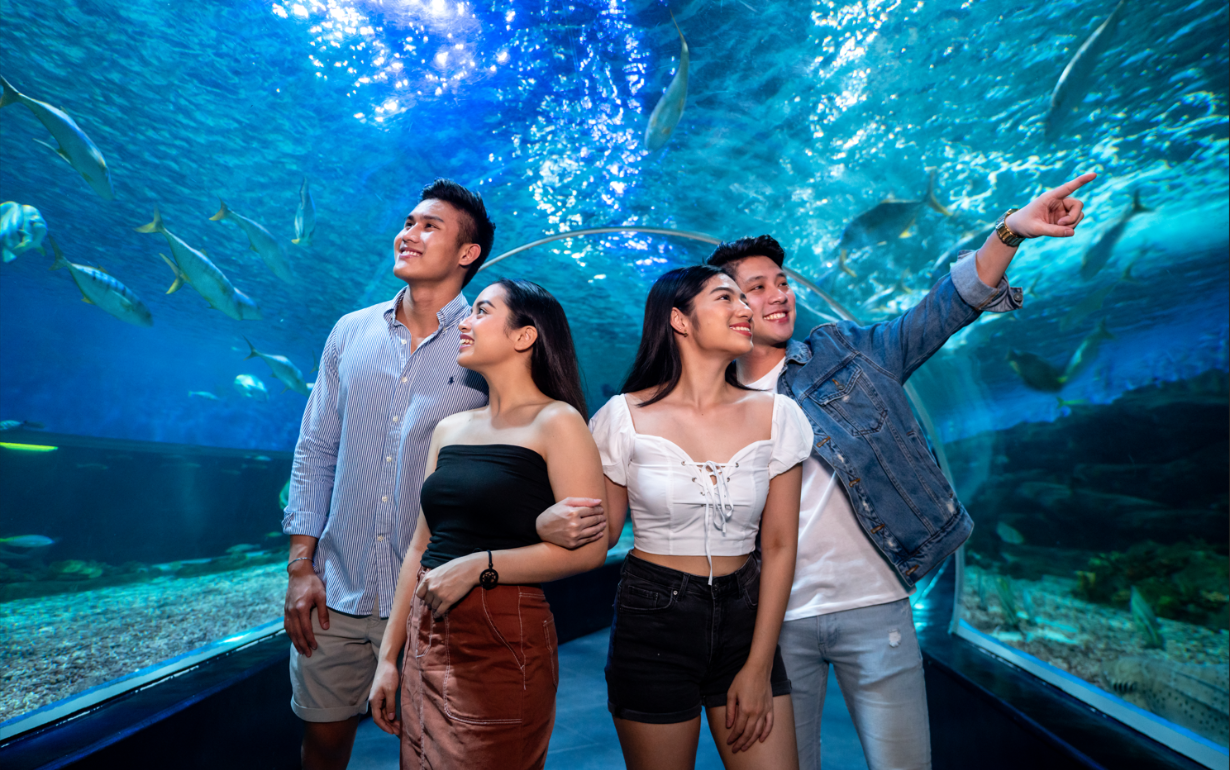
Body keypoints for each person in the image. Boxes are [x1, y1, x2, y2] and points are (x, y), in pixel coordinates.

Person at [706, 172, 1096, 770]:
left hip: (876, 609)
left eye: (781, 282)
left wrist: (1010, 231)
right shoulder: (709, 406)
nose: (779, 294)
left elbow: (940, 311)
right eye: (756, 287)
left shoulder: (845, 352)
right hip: (771, 628)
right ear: (724, 305)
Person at [282, 180, 607, 770]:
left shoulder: (491, 356)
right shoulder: (350, 335)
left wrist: (523, 534)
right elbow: (315, 450)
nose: (408, 233)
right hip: (345, 588)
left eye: (429, 225)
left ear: (468, 253)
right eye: (408, 221)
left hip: (462, 606)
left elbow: (521, 492)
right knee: (334, 746)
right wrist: (300, 565)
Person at [366, 278, 609, 769]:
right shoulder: (450, 428)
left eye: (481, 310)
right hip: (424, 629)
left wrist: (480, 566)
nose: (465, 322)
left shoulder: (558, 421)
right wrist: (388, 659)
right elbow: (419, 548)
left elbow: (590, 550)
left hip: (499, 630)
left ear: (525, 336)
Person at [590, 265, 813, 770]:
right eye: (725, 298)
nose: (745, 309)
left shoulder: (781, 416)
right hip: (653, 621)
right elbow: (600, 536)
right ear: (680, 320)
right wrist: (547, 522)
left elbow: (779, 546)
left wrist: (758, 665)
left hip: (746, 620)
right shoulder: (619, 418)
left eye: (744, 299)